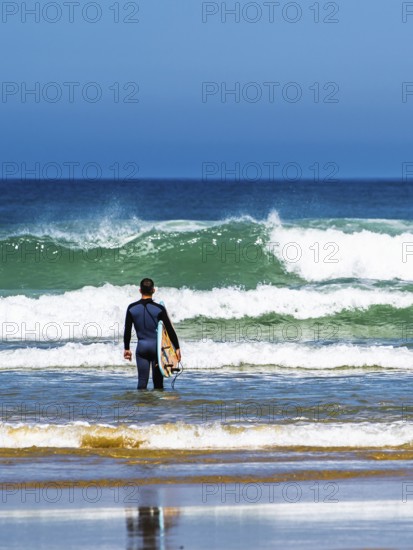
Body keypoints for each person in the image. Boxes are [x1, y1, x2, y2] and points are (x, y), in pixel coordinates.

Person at [123, 278, 181, 390]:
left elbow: (127, 330)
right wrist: (177, 348)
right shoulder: (159, 309)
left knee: (142, 383)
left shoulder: (131, 308)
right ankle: (156, 408)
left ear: (140, 290)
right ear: (153, 290)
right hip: (156, 350)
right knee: (158, 385)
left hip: (142, 349)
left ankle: (141, 405)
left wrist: (126, 348)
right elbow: (169, 329)